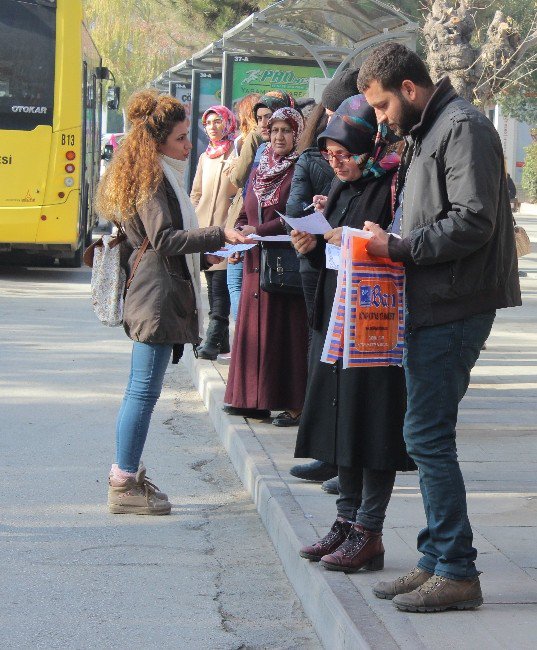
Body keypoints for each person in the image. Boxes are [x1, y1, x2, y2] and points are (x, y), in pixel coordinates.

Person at [356, 43, 521, 611]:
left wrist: (399, 245)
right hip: (435, 299)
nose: (378, 118)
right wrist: (389, 234)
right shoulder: (431, 127)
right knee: (423, 433)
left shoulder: (462, 127)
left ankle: (457, 568)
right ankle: (434, 559)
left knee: (426, 435)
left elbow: (475, 219)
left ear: (407, 88)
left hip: (457, 302)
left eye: (379, 106)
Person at [95, 90, 249, 515]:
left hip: (156, 293)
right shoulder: (150, 180)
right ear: (158, 141)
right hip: (155, 298)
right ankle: (124, 480)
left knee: (141, 391)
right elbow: (164, 239)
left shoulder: (154, 173)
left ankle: (127, 475)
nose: (188, 145)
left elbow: (167, 241)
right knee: (142, 392)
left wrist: (209, 252)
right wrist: (219, 234)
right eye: (182, 137)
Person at [291, 96, 414, 572]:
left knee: (373, 425)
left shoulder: (392, 185)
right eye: (328, 154)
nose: (334, 161)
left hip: (375, 331)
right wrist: (309, 245)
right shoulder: (343, 187)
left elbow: (400, 246)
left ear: (365, 147)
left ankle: (369, 530)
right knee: (343, 423)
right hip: (336, 321)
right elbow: (329, 252)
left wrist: (356, 239)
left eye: (342, 152)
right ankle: (345, 521)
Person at [224, 108, 309, 427]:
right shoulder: (260, 167)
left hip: (283, 262)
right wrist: (237, 237)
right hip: (253, 261)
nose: (279, 137)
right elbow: (247, 209)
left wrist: (257, 232)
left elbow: (293, 214)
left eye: (286, 130)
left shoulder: (300, 168)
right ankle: (252, 399)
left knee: (282, 332)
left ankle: (292, 403)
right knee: (252, 331)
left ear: (297, 133)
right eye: (273, 131)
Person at [191, 105, 238, 360]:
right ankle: (222, 342)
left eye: (218, 121)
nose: (213, 127)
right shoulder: (205, 156)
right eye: (208, 123)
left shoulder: (236, 151)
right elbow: (196, 192)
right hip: (204, 229)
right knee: (212, 286)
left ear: (228, 123)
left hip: (226, 229)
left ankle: (212, 340)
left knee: (220, 289)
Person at [225, 93, 261, 323]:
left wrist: (233, 167)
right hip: (249, 219)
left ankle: (242, 335)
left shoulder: (250, 139)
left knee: (236, 280)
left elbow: (238, 179)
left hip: (243, 217)